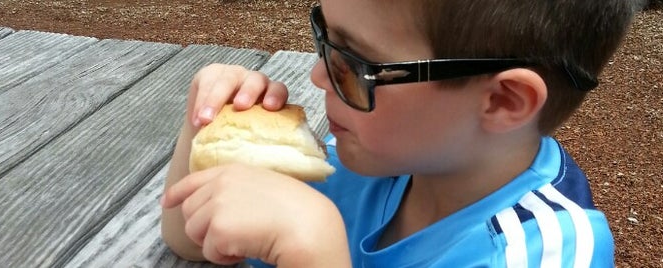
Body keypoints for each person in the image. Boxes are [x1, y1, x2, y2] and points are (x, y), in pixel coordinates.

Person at [160, 0, 636, 267]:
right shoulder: (361, 159)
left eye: (356, 63)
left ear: (502, 101)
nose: (317, 76)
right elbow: (188, 242)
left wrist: (313, 253)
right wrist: (203, 124)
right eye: (324, 37)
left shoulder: (540, 253)